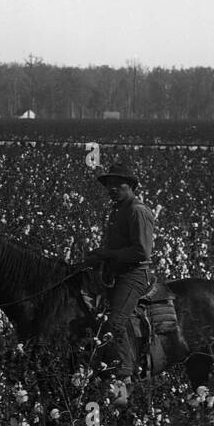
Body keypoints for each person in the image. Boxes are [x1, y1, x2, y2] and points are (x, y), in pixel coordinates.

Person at [81, 161, 157, 389]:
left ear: (131, 186)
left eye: (118, 184)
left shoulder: (137, 211)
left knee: (114, 322)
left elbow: (142, 251)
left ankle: (125, 376)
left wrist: (108, 254)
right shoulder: (117, 210)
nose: (112, 189)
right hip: (115, 271)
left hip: (134, 274)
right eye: (109, 185)